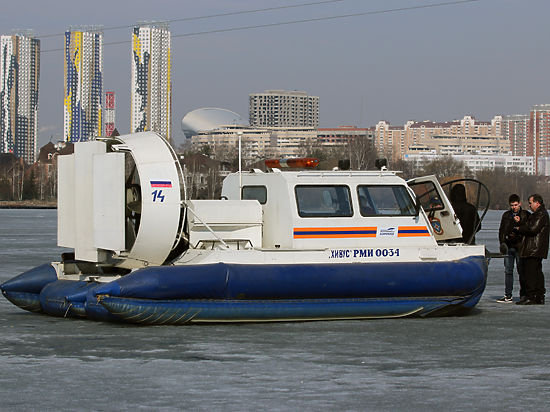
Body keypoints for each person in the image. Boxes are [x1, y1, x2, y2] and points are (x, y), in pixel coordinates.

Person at [515, 194, 549, 305]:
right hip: (536, 249)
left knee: (531, 273)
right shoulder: (538, 214)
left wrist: (519, 228)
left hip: (533, 249)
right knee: (537, 272)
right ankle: (538, 295)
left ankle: (531, 296)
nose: (529, 205)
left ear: (537, 203)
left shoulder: (541, 214)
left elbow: (533, 229)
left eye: (530, 203)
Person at [496, 194, 530, 303]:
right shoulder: (506, 215)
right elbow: (501, 230)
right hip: (509, 247)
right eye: (512, 205)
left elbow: (528, 229)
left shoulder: (525, 215)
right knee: (508, 271)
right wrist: (502, 243)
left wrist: (519, 222)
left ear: (520, 203)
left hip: (520, 247)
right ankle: (508, 295)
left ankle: (523, 295)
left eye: (516, 205)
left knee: (522, 271)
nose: (514, 207)